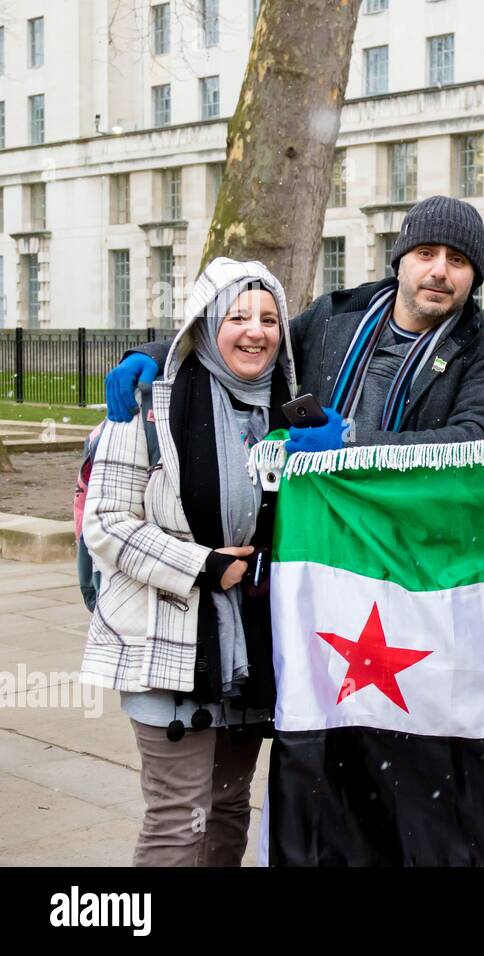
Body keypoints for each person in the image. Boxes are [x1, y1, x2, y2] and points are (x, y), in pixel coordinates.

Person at [80, 258, 297, 866]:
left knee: (228, 810)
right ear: (206, 324)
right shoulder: (149, 404)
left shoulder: (290, 408)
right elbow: (107, 522)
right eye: (237, 316)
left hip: (252, 650)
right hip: (168, 641)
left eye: (269, 318)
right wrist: (203, 565)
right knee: (178, 819)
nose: (255, 331)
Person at [104, 197, 484, 450]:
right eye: (426, 253)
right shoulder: (334, 316)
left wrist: (350, 441)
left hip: (409, 533)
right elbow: (253, 344)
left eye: (457, 260)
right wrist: (158, 355)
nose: (440, 271)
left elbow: (475, 438)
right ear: (401, 261)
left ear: (473, 276)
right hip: (312, 521)